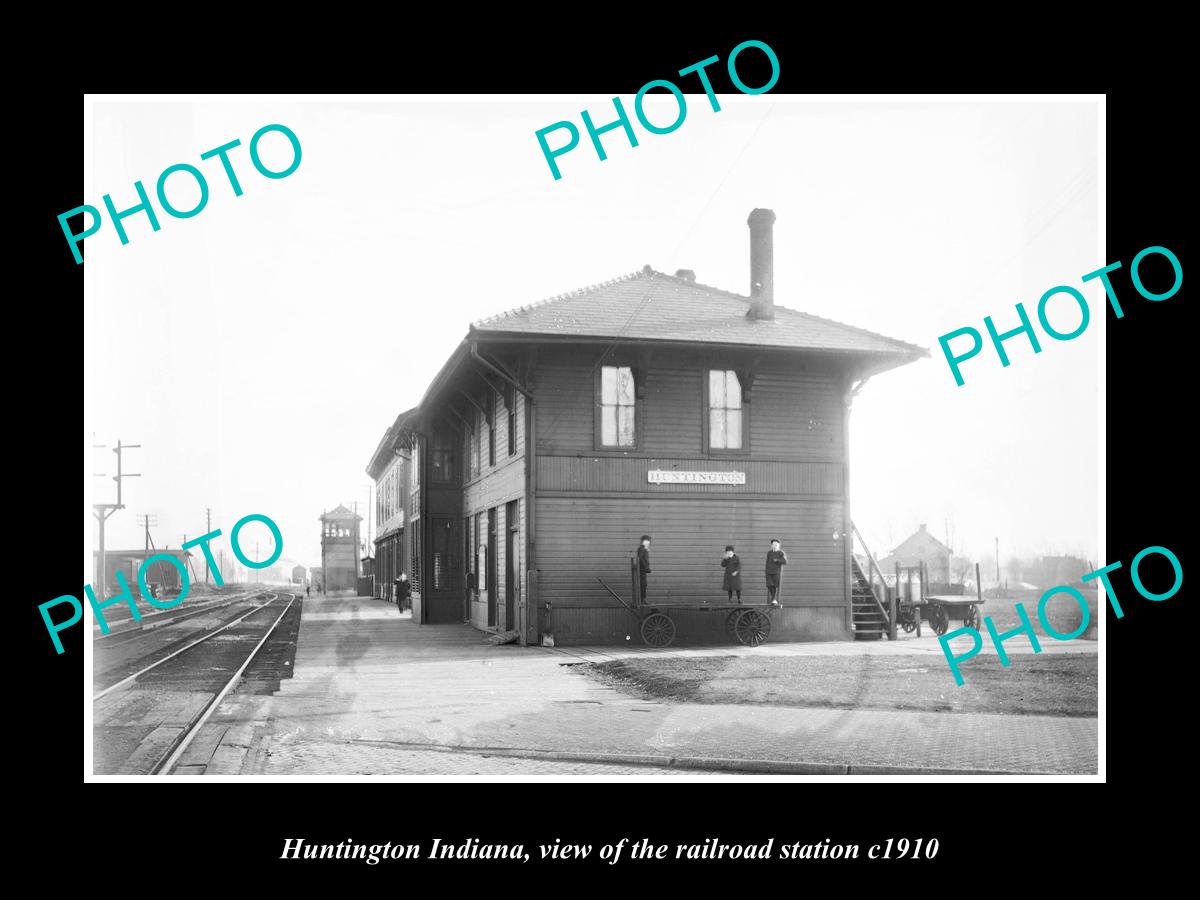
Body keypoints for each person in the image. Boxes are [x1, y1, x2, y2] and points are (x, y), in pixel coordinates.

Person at [765, 539, 788, 606]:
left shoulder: (781, 553)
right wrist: (766, 571)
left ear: (778, 546)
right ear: (771, 545)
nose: (775, 546)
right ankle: (773, 598)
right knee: (769, 584)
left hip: (776, 572)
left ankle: (774, 599)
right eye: (773, 544)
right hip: (769, 572)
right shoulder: (769, 553)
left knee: (774, 585)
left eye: (776, 545)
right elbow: (767, 562)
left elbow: (785, 561)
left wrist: (778, 560)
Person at [637, 535, 652, 601]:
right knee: (643, 584)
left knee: (644, 584)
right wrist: (646, 567)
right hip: (642, 569)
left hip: (643, 569)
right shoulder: (641, 548)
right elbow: (640, 558)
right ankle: (643, 599)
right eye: (647, 541)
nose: (649, 542)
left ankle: (643, 598)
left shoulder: (644, 548)